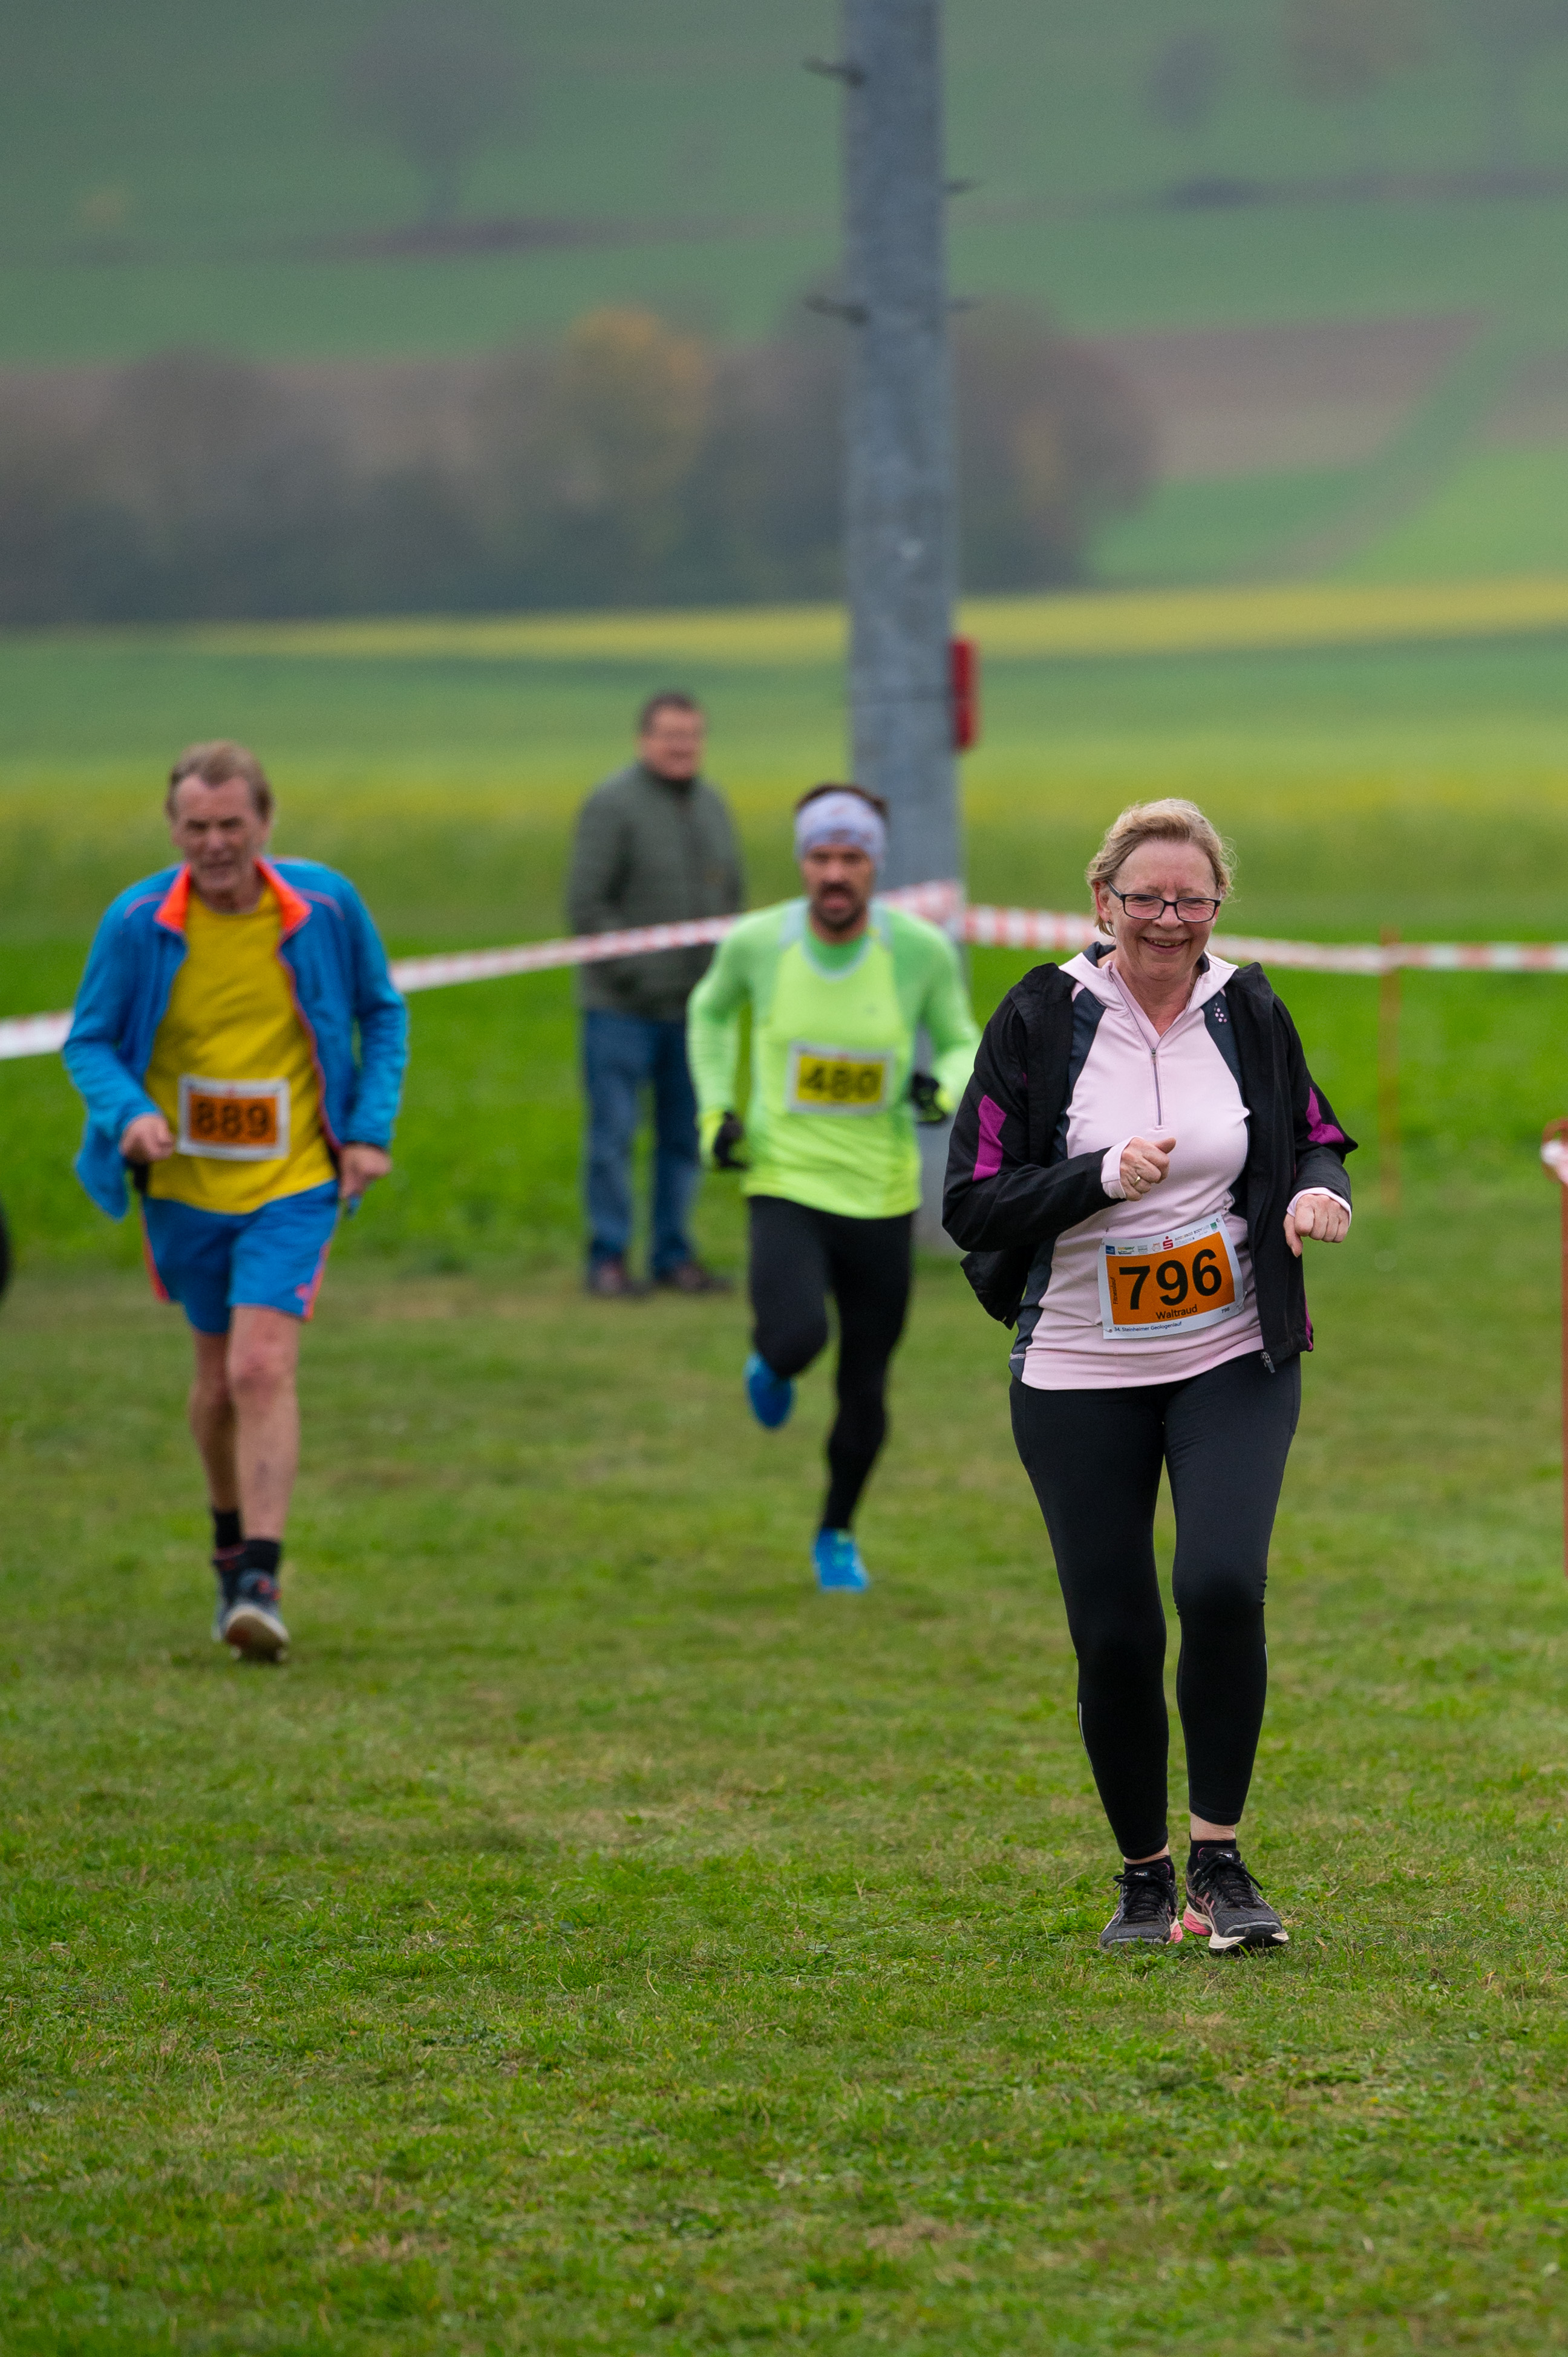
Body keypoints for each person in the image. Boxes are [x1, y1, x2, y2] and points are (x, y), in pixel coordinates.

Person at [944, 799, 1353, 1952]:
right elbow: (970, 1200)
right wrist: (1097, 1177)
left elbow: (1312, 1133)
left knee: (1220, 1585)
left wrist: (1318, 1190)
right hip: (1078, 1365)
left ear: (1217, 905)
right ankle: (1142, 1877)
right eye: (1145, 899)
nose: (1168, 919)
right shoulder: (1041, 1016)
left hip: (1230, 1349)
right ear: (1101, 900)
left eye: (1191, 900)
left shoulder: (1248, 1008)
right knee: (1114, 1630)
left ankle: (1220, 1863)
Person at [62, 740, 408, 1662]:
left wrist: (368, 1130)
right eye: (196, 827)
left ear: (266, 822)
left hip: (294, 1181)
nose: (215, 844)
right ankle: (228, 1547)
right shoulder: (136, 923)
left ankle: (261, 1580)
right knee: (216, 1384)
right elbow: (88, 1041)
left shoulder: (325, 907)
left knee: (261, 1368)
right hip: (184, 1186)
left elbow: (383, 1010)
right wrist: (130, 1114)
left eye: (232, 825)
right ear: (173, 829)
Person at [688, 784, 979, 1591]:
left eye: (852, 857)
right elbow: (709, 1014)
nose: (835, 873)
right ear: (802, 862)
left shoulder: (916, 950)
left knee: (866, 1384)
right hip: (785, 1178)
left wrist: (944, 1086)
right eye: (821, 856)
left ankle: (837, 1532)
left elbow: (963, 1038)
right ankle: (771, 1363)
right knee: (796, 1339)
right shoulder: (759, 943)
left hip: (881, 1194)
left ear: (875, 865)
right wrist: (714, 1112)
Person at [567, 690, 745, 1298]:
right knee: (612, 1138)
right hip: (621, 1009)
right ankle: (609, 1257)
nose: (681, 747)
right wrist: (639, 974)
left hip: (692, 1011)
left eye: (691, 736)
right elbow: (588, 904)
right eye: (670, 735)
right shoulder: (612, 804)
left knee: (683, 1140)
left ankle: (673, 1254)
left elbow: (731, 898)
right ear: (644, 740)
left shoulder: (713, 805)